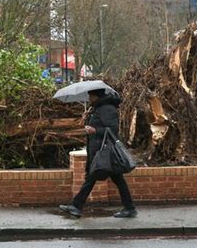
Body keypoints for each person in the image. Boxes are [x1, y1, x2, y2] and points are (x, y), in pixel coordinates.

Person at [59, 88, 138, 218]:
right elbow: (99, 124)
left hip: (105, 151)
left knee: (94, 177)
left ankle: (76, 206)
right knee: (109, 178)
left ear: (96, 96)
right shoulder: (98, 108)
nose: (89, 98)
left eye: (91, 96)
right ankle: (129, 208)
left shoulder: (106, 108)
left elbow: (112, 129)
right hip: (100, 150)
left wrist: (94, 130)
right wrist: (87, 118)